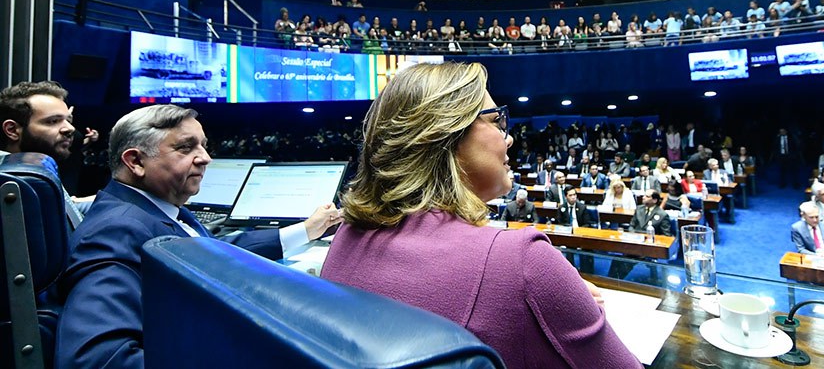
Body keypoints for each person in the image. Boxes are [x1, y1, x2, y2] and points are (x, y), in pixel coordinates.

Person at [320, 62, 638, 368]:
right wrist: (575, 309)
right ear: (445, 131)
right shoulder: (524, 261)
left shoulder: (346, 235)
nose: (509, 137)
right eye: (498, 121)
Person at [56, 105, 342, 369]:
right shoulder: (117, 230)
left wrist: (306, 230)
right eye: (185, 147)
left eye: (203, 146)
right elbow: (97, 359)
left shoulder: (159, 209)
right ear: (135, 161)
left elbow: (210, 250)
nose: (206, 158)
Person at [0, 81, 98, 214]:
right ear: (12, 130)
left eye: (68, 120)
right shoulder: (25, 179)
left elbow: (66, 208)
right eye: (53, 121)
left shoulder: (38, 170)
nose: (70, 128)